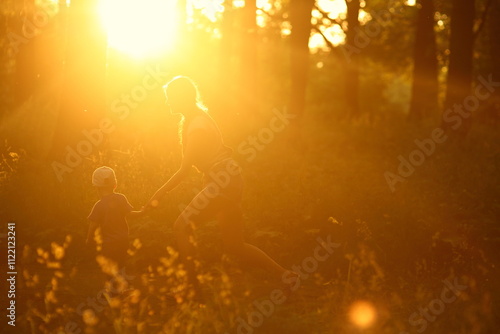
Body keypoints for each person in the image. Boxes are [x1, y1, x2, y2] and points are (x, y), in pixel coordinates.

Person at [145, 76, 298, 299]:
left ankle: (193, 288)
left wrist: (159, 193)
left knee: (181, 226)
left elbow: (184, 169)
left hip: (222, 181)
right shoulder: (195, 118)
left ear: (181, 97)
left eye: (170, 98)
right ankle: (287, 276)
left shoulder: (196, 126)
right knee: (235, 245)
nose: (168, 102)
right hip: (227, 179)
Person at [86, 166, 144, 270]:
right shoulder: (121, 199)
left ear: (97, 187)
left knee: (110, 269)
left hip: (108, 245)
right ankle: (122, 285)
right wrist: (142, 212)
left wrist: (89, 240)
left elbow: (93, 225)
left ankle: (112, 285)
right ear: (114, 185)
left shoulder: (99, 206)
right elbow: (130, 214)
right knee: (121, 267)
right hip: (123, 241)